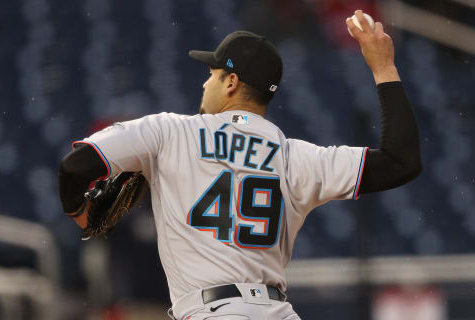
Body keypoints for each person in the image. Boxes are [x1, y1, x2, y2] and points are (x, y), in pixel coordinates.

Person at [58, 10, 422, 320]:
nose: (205, 83)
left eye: (212, 74)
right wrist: (384, 66)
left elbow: (75, 168)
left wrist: (83, 212)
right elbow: (400, 161)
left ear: (231, 82)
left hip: (211, 310)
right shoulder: (297, 156)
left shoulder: (169, 132)